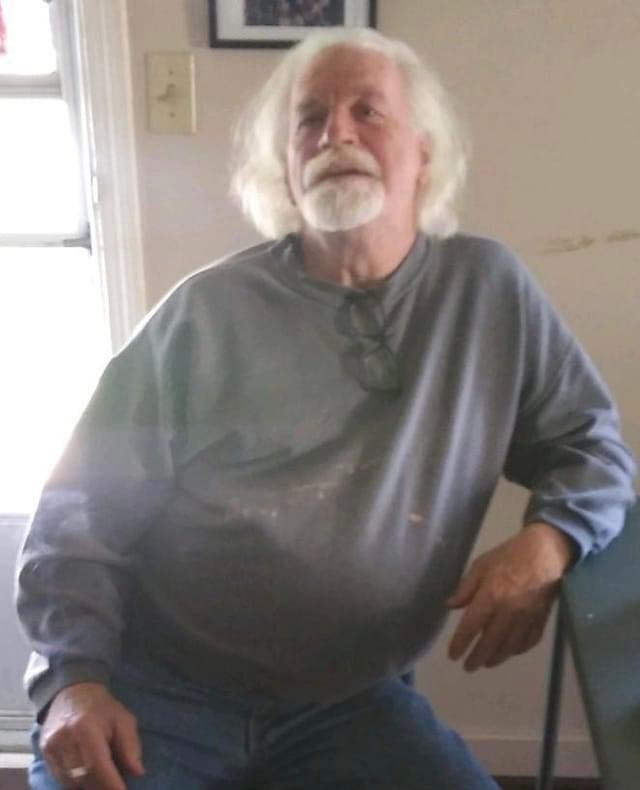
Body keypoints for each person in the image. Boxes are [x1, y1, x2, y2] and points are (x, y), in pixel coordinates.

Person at [16, 27, 635, 790]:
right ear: (284, 168)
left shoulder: (487, 292)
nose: (334, 133)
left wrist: (549, 542)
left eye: (367, 111)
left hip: (350, 702)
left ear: (424, 155)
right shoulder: (203, 316)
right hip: (160, 695)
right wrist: (73, 683)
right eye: (309, 118)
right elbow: (76, 514)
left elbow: (592, 449)